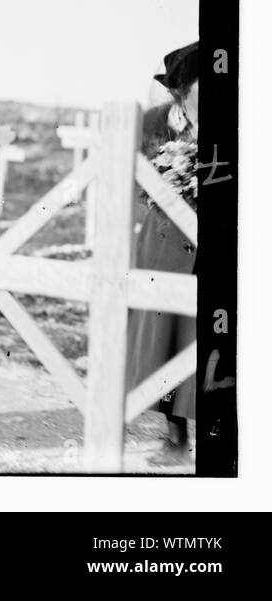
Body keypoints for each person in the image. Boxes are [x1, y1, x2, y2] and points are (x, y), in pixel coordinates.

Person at [126, 41, 199, 463]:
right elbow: (137, 178)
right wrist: (173, 183)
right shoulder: (157, 126)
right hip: (165, 243)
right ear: (181, 90)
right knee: (167, 337)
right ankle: (176, 438)